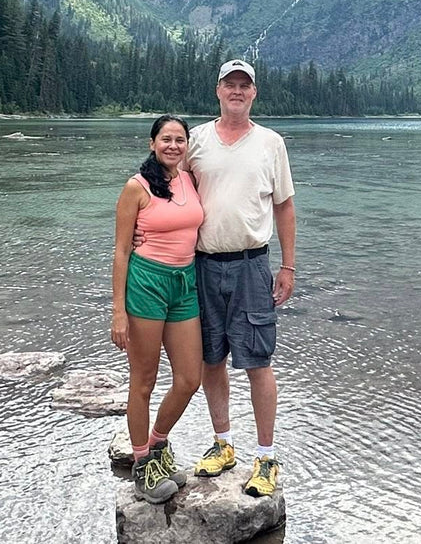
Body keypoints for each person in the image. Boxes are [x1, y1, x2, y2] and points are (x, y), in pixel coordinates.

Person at [187, 59, 296, 498]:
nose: (237, 91)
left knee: (257, 361)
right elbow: (170, 193)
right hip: (202, 263)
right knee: (210, 358)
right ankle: (223, 444)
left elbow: (284, 205)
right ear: (218, 90)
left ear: (254, 94)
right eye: (229, 84)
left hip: (253, 263)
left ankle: (266, 457)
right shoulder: (195, 140)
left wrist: (287, 266)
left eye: (244, 86)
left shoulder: (271, 143)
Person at [111, 114, 205, 504]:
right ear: (152, 144)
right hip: (146, 283)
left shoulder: (190, 179)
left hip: (184, 284)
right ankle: (141, 465)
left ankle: (157, 444)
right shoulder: (136, 187)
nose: (173, 145)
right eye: (165, 139)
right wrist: (118, 310)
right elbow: (119, 251)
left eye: (179, 139)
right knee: (144, 380)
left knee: (189, 378)